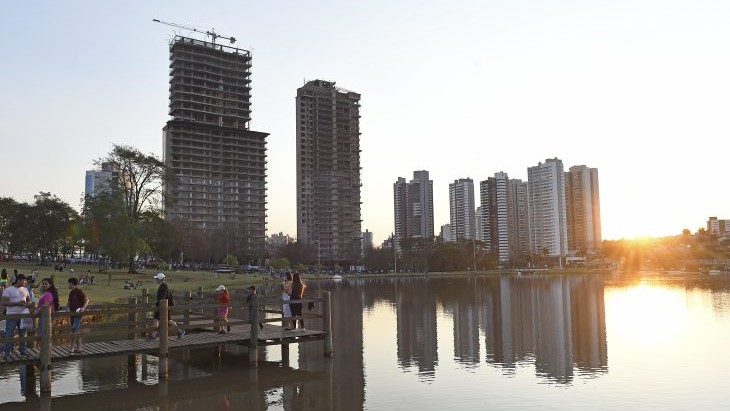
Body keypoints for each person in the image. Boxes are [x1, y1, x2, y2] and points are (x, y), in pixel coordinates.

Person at [2, 274, 31, 359]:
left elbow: (29, 301)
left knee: (23, 334)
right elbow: (3, 302)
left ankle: (23, 351)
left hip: (24, 315)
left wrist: (27, 304)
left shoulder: (25, 289)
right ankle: (7, 352)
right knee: (9, 334)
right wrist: (17, 303)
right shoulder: (8, 290)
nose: (25, 282)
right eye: (24, 280)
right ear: (18, 280)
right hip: (11, 315)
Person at [148, 272, 184, 340]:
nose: (156, 280)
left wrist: (156, 305)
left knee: (164, 320)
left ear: (160, 279)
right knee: (159, 320)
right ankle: (153, 336)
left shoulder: (164, 286)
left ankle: (180, 331)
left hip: (163, 307)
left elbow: (162, 298)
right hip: (161, 307)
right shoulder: (163, 285)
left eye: (157, 279)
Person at [66, 277, 89, 354]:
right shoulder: (71, 292)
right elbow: (69, 302)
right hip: (72, 313)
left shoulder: (79, 291)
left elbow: (86, 300)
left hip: (78, 313)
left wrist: (83, 308)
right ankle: (79, 348)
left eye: (68, 283)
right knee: (76, 330)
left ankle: (72, 347)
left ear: (71, 283)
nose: (67, 285)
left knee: (74, 329)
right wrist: (67, 309)